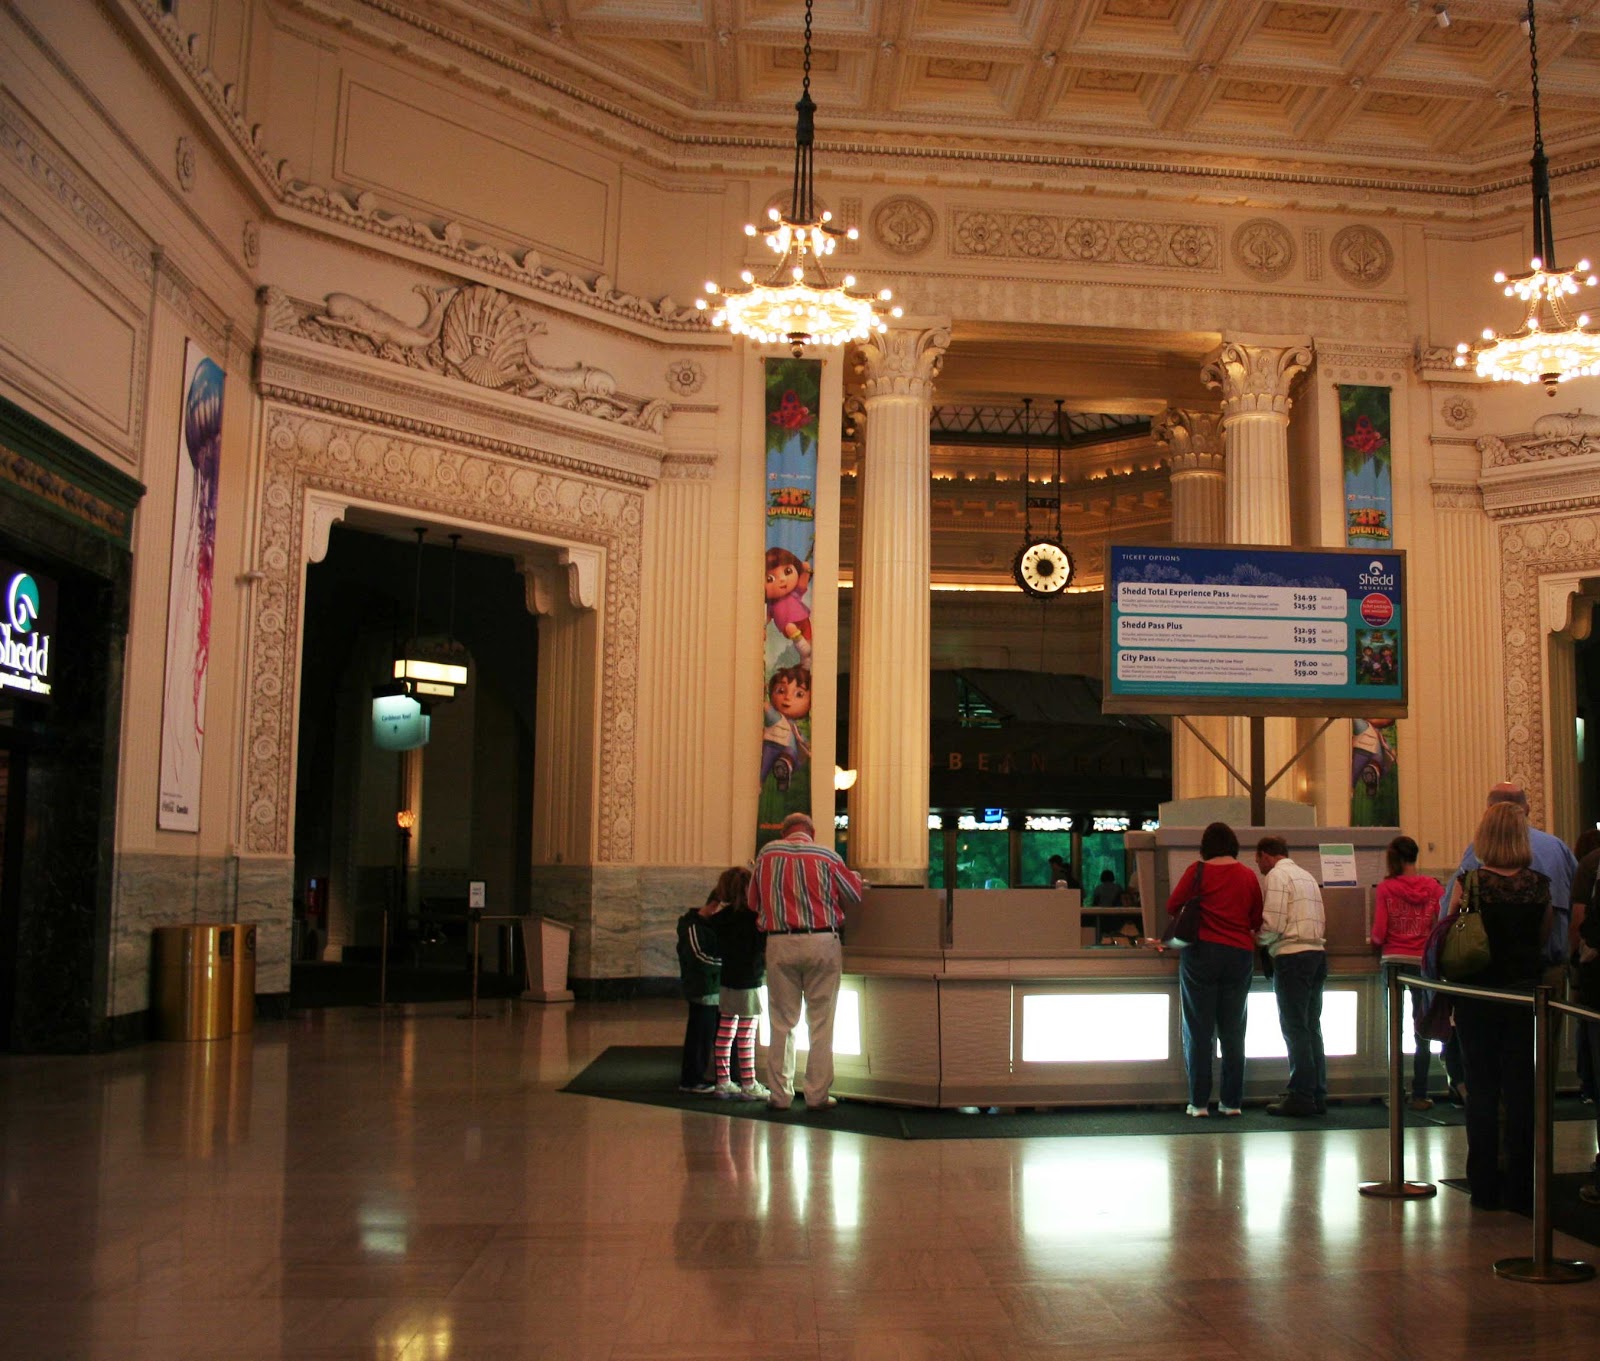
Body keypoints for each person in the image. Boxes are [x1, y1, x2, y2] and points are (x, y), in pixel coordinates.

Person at [1447, 802, 1552, 1212]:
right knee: (1522, 1090)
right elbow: (1543, 938)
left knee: (1483, 1090)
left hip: (1477, 997)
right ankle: (1523, 1187)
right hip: (1525, 997)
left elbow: (1452, 932)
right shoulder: (1539, 885)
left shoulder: (1470, 882)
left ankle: (1485, 1185)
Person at [747, 811, 863, 1112]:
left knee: (782, 1023)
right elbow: (854, 893)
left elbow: (752, 903)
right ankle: (817, 1095)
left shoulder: (766, 854)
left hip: (779, 942)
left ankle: (780, 1095)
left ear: (785, 832)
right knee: (821, 1023)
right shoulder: (827, 854)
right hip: (822, 940)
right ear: (811, 831)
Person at [1164, 822, 1263, 1117]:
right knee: (1233, 1032)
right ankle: (1231, 1103)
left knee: (1199, 1029)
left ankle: (1198, 1103)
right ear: (1234, 845)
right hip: (1239, 955)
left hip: (1202, 954)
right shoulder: (1247, 875)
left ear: (1204, 847)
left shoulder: (1197, 871)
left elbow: (1173, 905)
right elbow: (1256, 917)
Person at [1448, 782, 1575, 969]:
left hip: (1480, 975)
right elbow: (1552, 927)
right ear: (1527, 811)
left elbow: (1448, 925)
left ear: (1487, 814)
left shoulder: (1470, 877)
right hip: (1534, 974)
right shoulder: (1545, 871)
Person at [1369, 835, 1445, 1110]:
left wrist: (1374, 942)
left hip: (1393, 961)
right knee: (1421, 1028)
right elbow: (1440, 924)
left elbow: (1379, 931)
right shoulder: (1434, 888)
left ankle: (1396, 1091)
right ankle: (1420, 1093)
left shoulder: (1387, 889)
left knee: (1395, 1029)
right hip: (1421, 962)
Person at [1255, 836, 1328, 1117]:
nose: (1258, 866)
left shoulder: (1276, 876)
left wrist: (1258, 939)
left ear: (1266, 855)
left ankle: (1300, 1095)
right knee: (1311, 1027)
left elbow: (1273, 922)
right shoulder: (1307, 875)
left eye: (1258, 860)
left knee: (1294, 1027)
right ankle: (1317, 1093)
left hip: (1292, 957)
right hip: (1317, 955)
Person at [710, 868, 769, 1101]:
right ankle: (748, 1082)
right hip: (750, 981)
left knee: (725, 1031)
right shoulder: (755, 919)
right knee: (746, 1035)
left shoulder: (718, 920)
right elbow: (761, 947)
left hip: (726, 979)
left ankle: (723, 1080)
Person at [675, 873, 728, 1095]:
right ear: (716, 906)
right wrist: (727, 965)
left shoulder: (704, 925)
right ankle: (691, 1079)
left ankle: (704, 1075)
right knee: (700, 1035)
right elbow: (699, 957)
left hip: (714, 988)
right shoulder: (693, 926)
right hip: (703, 989)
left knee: (710, 1035)